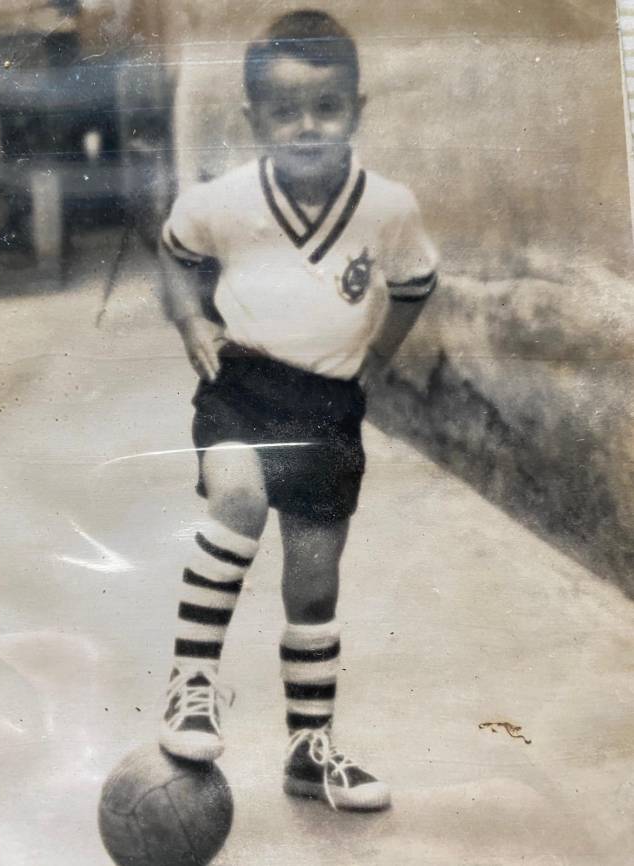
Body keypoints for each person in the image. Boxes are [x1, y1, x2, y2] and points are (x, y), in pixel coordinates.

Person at [157, 9, 438, 812]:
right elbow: (172, 255)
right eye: (285, 113)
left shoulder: (385, 206)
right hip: (241, 388)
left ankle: (308, 754)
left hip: (328, 410)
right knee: (238, 500)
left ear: (358, 108)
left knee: (313, 590)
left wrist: (376, 360)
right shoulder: (225, 200)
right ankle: (191, 686)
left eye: (327, 107)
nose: (307, 127)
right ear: (255, 122)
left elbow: (416, 284)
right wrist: (190, 319)